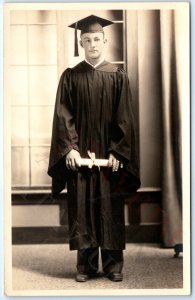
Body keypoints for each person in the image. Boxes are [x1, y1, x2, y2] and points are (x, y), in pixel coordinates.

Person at [48, 14, 140, 282]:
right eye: (87, 40)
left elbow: (125, 118)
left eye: (97, 39)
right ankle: (85, 266)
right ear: (81, 42)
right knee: (82, 206)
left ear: (105, 40)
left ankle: (114, 265)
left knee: (110, 206)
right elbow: (63, 117)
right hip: (80, 156)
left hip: (110, 157)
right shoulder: (70, 77)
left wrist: (117, 152)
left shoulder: (118, 76)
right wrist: (70, 149)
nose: (92, 44)